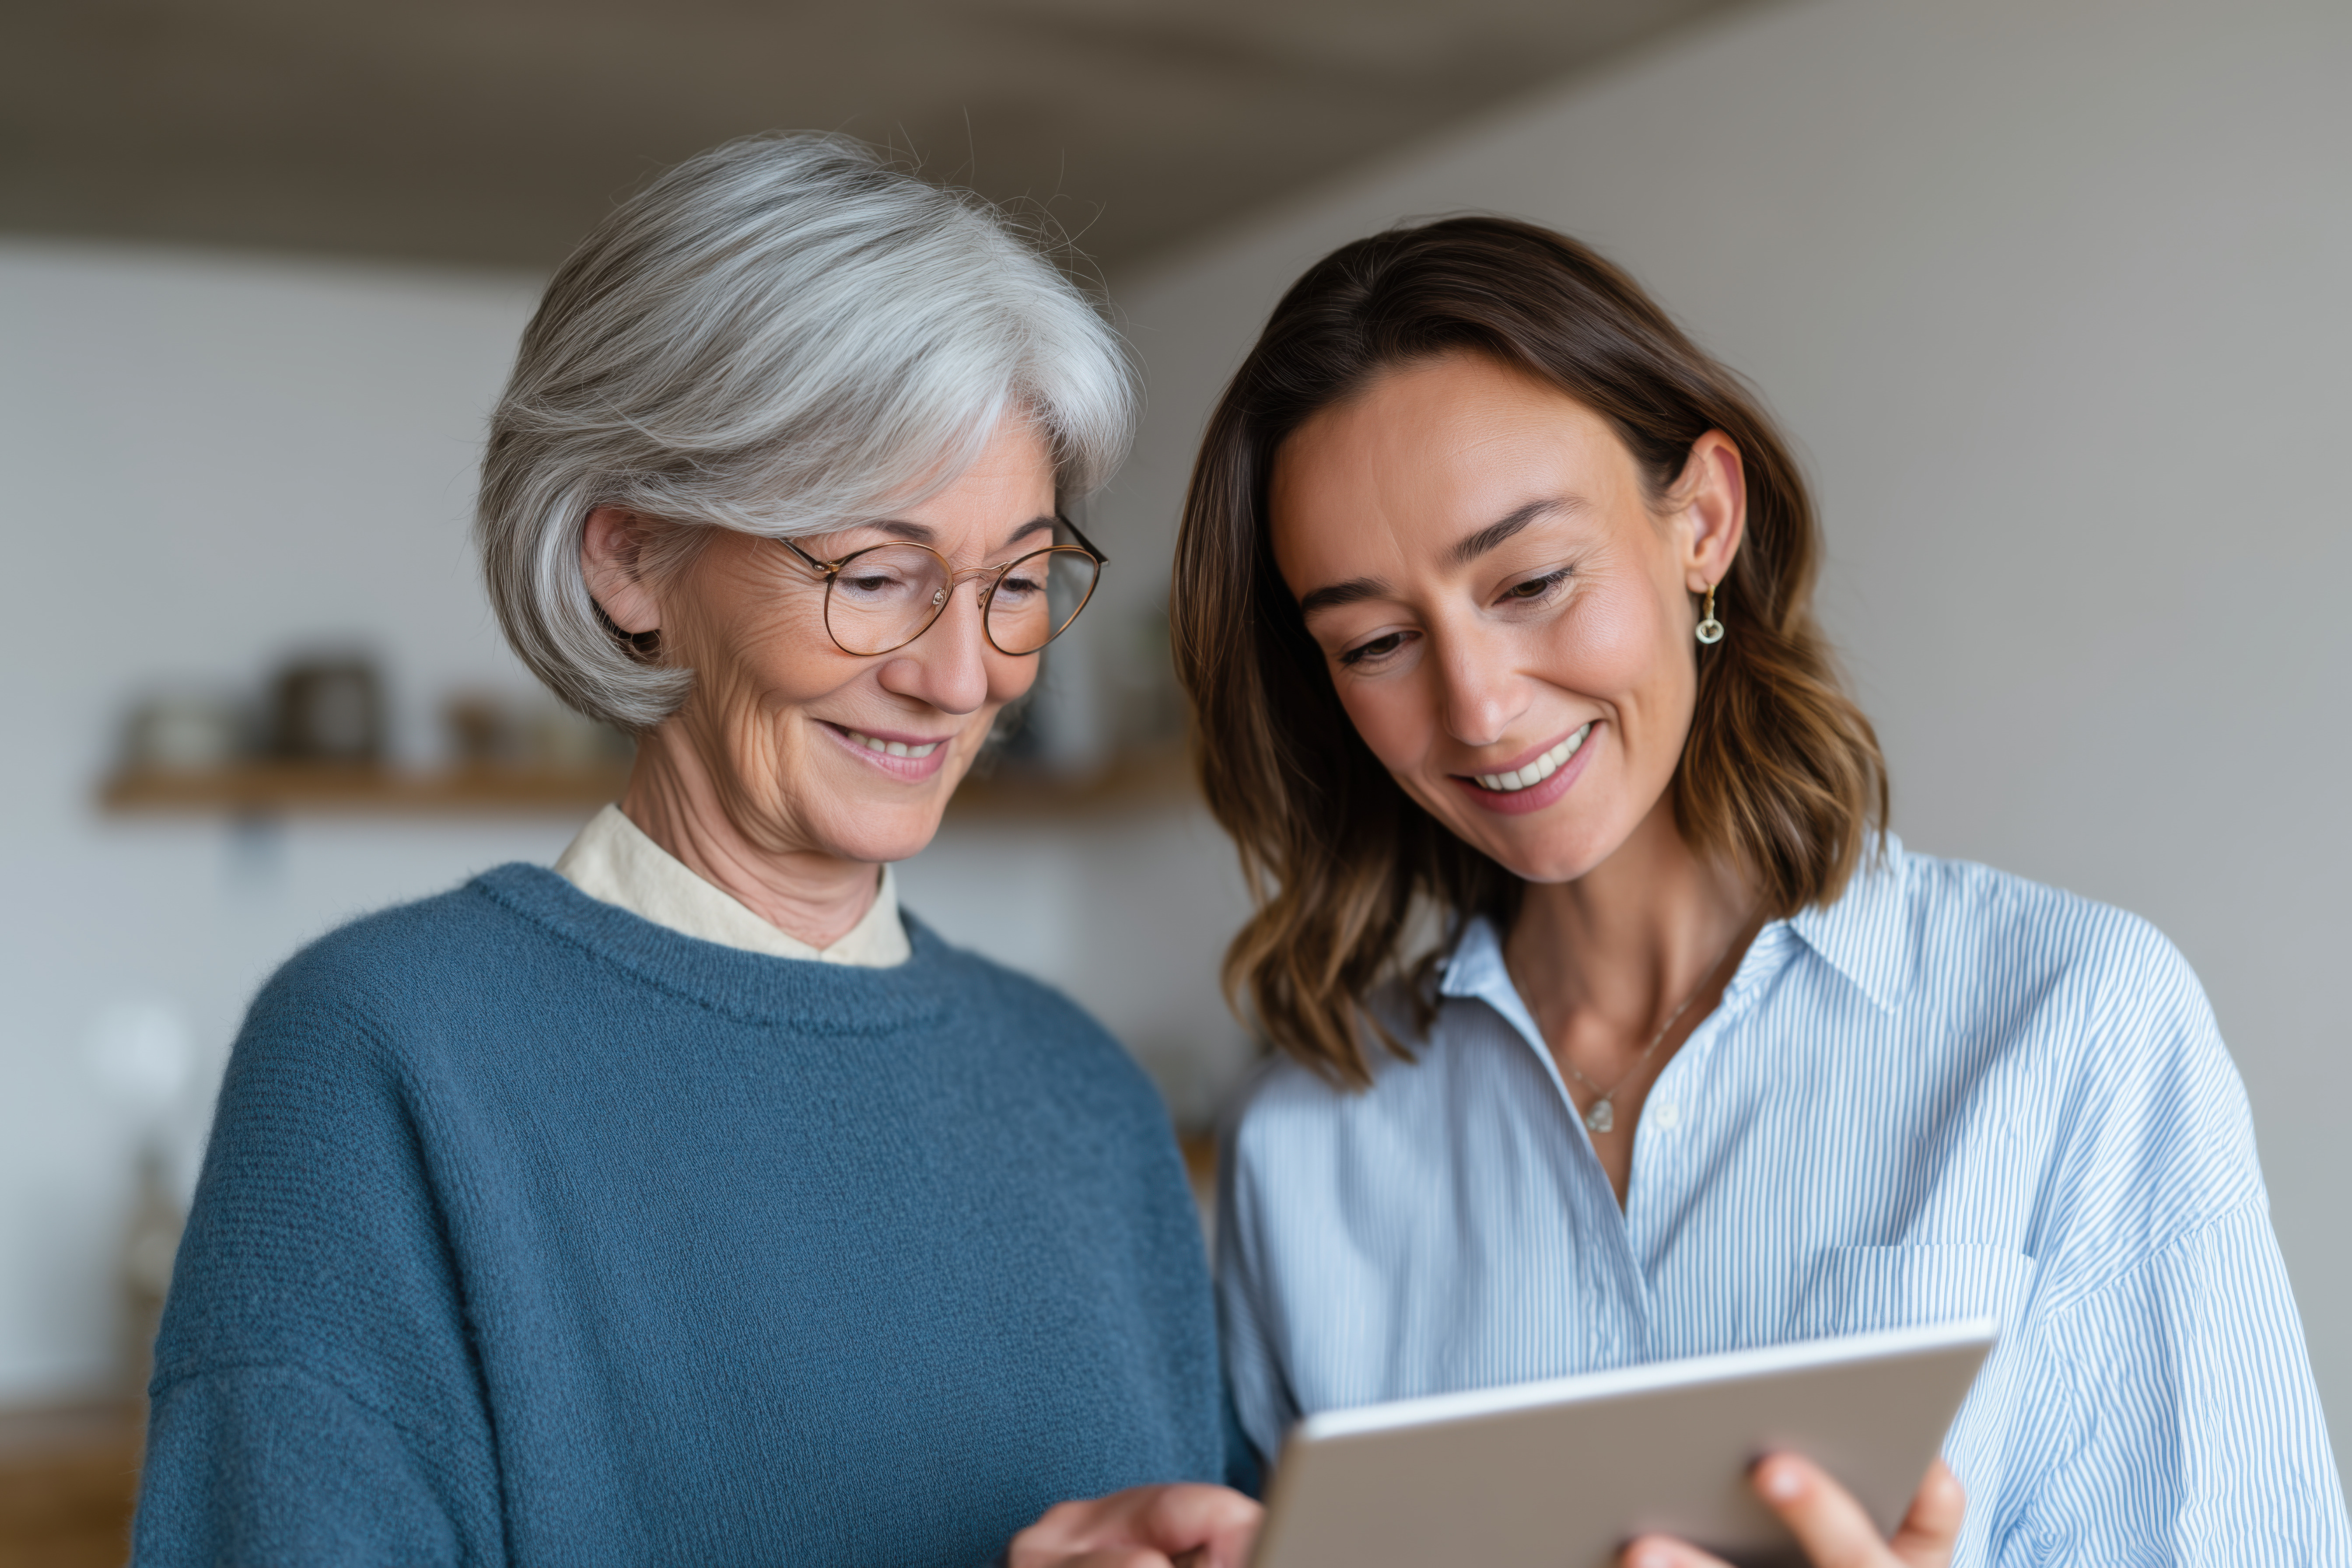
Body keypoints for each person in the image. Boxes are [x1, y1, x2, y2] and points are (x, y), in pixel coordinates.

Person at [135, 133, 1258, 1568]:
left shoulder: (1084, 1099)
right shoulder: (383, 1060)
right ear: (631, 560)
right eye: (875, 577)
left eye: (1019, 583)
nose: (962, 673)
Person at [1170, 216, 2350, 1566]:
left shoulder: (2078, 1024)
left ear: (1703, 523)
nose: (1480, 707)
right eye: (1377, 642)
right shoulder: (1304, 1143)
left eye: (1536, 581)